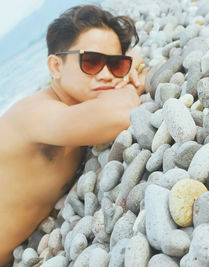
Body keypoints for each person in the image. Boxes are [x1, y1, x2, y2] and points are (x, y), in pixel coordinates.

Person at [0, 5, 148, 265]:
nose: (106, 75)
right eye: (91, 61)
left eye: (115, 64)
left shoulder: (75, 104)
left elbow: (133, 55)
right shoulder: (34, 113)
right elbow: (121, 114)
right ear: (56, 66)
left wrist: (128, 65)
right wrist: (127, 83)